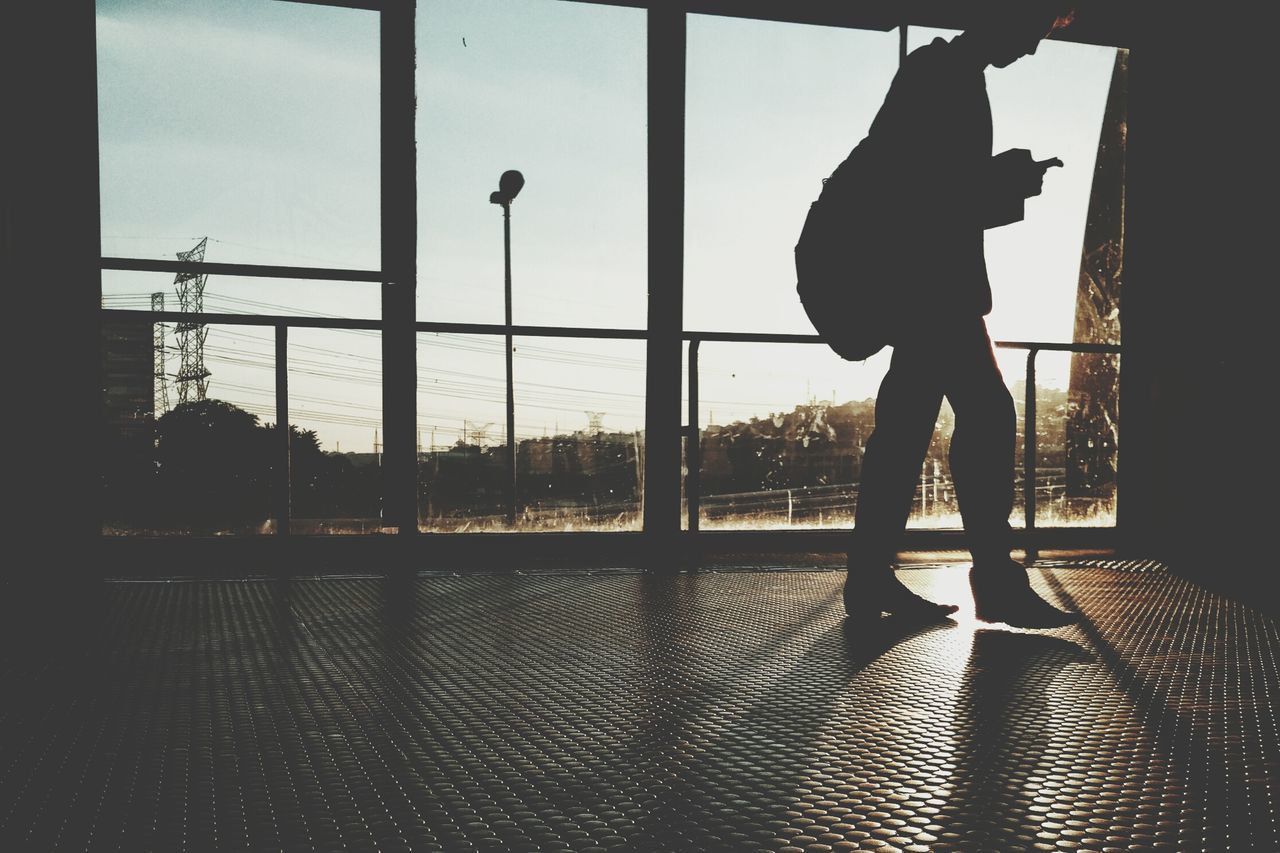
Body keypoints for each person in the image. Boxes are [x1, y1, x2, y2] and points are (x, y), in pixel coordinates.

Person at [828, 2, 1081, 627]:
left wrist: (999, 179)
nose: (1033, 49)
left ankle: (870, 580)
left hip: (924, 287)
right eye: (1033, 32)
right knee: (986, 417)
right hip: (935, 288)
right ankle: (990, 577)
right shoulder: (948, 75)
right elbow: (930, 192)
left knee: (907, 431)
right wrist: (1007, 181)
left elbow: (919, 183)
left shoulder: (941, 71)